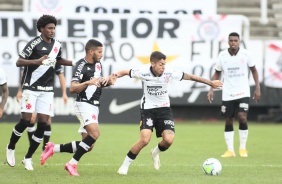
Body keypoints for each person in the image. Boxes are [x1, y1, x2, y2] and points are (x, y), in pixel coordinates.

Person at [114, 51, 222, 175]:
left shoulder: (169, 72)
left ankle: (155, 152)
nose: (163, 67)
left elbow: (191, 77)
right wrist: (113, 76)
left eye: (164, 64)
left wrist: (211, 83)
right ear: (153, 64)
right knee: (144, 140)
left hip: (164, 109)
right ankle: (125, 165)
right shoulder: (143, 71)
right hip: (148, 109)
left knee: (169, 140)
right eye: (161, 64)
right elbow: (124, 72)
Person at [6, 14, 75, 171]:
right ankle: (10, 147)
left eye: (54, 28)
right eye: (49, 28)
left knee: (43, 124)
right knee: (25, 121)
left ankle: (28, 158)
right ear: (42, 29)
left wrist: (74, 62)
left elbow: (58, 61)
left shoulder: (57, 44)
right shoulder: (34, 44)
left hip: (47, 90)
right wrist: (36, 61)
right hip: (31, 87)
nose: (52, 30)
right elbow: (19, 61)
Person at [40, 39, 117, 176]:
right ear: (91, 51)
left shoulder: (98, 64)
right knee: (95, 134)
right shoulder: (81, 65)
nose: (102, 54)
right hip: (83, 104)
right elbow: (73, 88)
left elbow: (96, 84)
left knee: (88, 145)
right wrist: (88, 82)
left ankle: (53, 148)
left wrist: (108, 82)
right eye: (99, 52)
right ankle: (72, 163)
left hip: (93, 106)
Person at [207, 32, 261, 158]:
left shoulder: (246, 54)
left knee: (242, 117)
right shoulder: (222, 55)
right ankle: (230, 150)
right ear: (228, 42)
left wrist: (257, 87)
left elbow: (254, 70)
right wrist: (211, 88)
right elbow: (217, 72)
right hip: (228, 93)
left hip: (243, 91)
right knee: (229, 119)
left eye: (235, 40)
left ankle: (243, 148)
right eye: (231, 40)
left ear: (239, 41)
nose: (233, 43)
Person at [16, 65, 68, 151]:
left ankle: (45, 147)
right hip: (31, 90)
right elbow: (23, 74)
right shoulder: (32, 57)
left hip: (45, 92)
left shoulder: (53, 56)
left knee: (47, 121)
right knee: (31, 118)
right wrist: (20, 90)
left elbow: (61, 75)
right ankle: (32, 145)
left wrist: (64, 93)